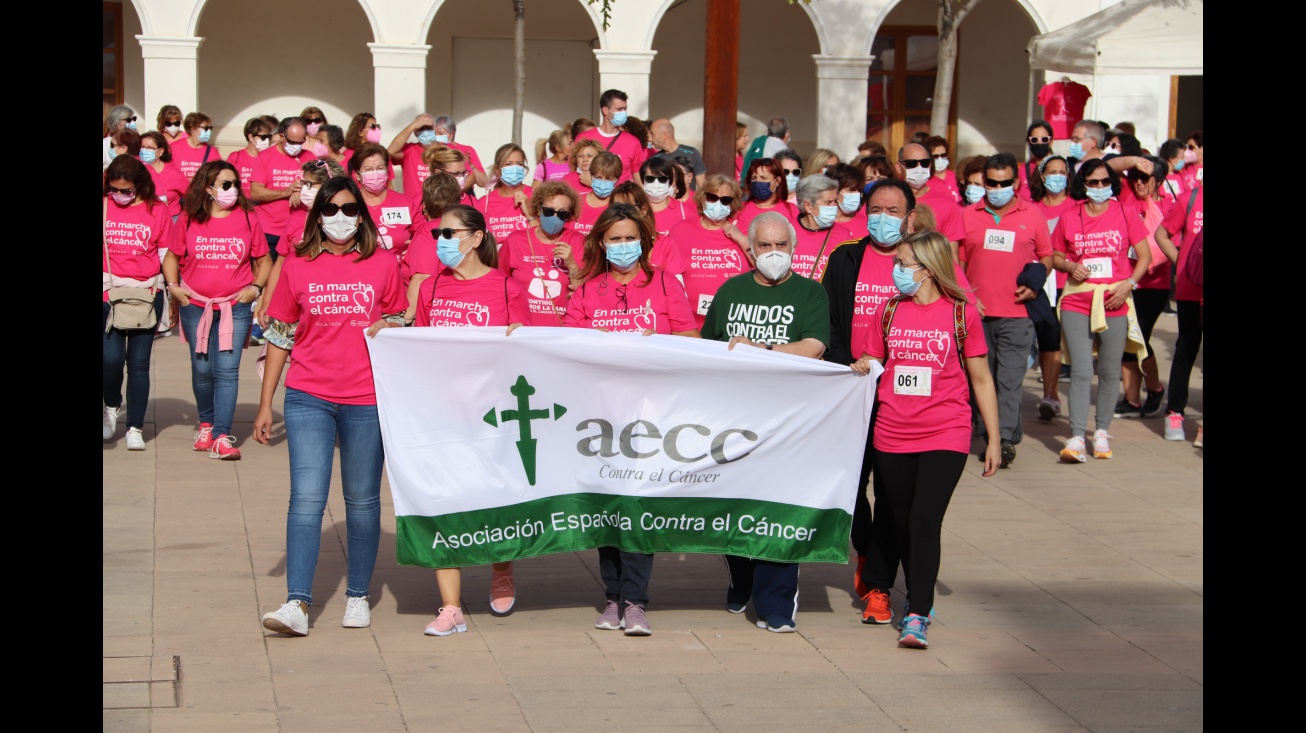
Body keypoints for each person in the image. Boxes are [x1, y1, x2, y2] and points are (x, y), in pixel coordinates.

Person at [255, 176, 408, 637]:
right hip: (307, 395)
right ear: (316, 214)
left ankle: (357, 595)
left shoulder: (383, 264)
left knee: (361, 501)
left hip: (365, 398)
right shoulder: (298, 266)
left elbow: (399, 321)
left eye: (348, 208)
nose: (339, 218)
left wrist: (392, 325)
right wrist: (266, 404)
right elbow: (280, 334)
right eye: (330, 209)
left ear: (361, 214)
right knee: (305, 500)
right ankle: (296, 603)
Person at [823, 179, 974, 619]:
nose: (881, 217)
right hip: (855, 391)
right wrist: (845, 373)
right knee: (851, 487)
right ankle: (868, 549)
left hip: (909, 408)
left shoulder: (928, 258)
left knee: (896, 500)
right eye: (875, 208)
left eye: (893, 210)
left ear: (909, 216)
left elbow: (961, 318)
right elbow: (830, 323)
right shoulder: (845, 257)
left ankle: (878, 586)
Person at [850, 231, 1001, 648]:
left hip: (946, 431)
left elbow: (981, 379)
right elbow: (875, 360)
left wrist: (994, 438)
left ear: (929, 269)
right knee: (897, 520)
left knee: (923, 520)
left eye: (904, 264)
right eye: (895, 263)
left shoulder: (960, 313)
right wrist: (864, 364)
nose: (897, 271)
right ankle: (898, 590)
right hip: (892, 431)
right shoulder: (888, 311)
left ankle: (917, 611)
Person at [564, 204, 699, 636]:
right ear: (601, 243)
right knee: (608, 505)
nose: (623, 246)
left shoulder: (663, 282)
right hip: (600, 416)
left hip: (650, 415)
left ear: (644, 240)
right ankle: (611, 597)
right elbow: (564, 344)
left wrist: (654, 344)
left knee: (637, 504)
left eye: (629, 238)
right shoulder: (587, 291)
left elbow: (691, 338)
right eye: (614, 239)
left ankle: (636, 601)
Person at [702, 211, 829, 633]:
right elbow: (709, 345)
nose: (773, 253)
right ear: (750, 249)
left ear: (793, 248)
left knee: (778, 509)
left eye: (781, 246)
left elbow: (813, 346)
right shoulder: (731, 289)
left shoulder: (811, 293)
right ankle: (742, 577)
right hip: (732, 418)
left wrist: (763, 348)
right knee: (734, 506)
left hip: (787, 419)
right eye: (764, 246)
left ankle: (776, 602)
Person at [407, 204, 529, 635]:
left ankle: (501, 569)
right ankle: (450, 606)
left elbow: (529, 350)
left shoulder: (508, 287)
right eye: (438, 233)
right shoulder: (430, 288)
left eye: (451, 232)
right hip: (442, 416)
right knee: (442, 499)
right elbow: (418, 347)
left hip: (492, 415)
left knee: (493, 498)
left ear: (477, 238)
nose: (442, 240)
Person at [162, 161, 272, 460]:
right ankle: (206, 423)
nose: (232, 190)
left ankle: (222, 435)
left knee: (227, 371)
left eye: (235, 183)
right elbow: (172, 257)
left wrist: (257, 289)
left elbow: (264, 260)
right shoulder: (188, 219)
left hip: (235, 306)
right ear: (208, 188)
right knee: (202, 369)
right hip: (195, 304)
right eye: (225, 185)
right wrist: (174, 288)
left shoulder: (249, 217)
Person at [1052, 159, 1151, 463]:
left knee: (1110, 371)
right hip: (1077, 299)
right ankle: (1077, 436)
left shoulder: (1126, 212)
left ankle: (1103, 431)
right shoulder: (1070, 216)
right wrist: (1069, 265)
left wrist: (1128, 284)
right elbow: (1054, 254)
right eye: (1093, 182)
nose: (1099, 188)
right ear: (1083, 184)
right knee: (1082, 370)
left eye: (1104, 182)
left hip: (1115, 299)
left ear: (1112, 183)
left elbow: (1146, 255)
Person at [959, 153, 1054, 468]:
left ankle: (1007, 439)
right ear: (983, 182)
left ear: (1016, 182)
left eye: (1004, 183)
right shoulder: (967, 215)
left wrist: (1037, 283)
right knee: (980, 378)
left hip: (1018, 313)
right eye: (991, 183)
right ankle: (988, 432)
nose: (997, 188)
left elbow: (1047, 257)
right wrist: (967, 297)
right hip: (977, 314)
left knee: (1010, 380)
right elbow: (956, 263)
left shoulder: (1034, 214)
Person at [103, 155, 169, 450]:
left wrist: (173, 290)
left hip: (146, 295)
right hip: (108, 294)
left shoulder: (158, 209)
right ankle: (111, 404)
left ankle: (135, 427)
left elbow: (166, 255)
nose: (121, 195)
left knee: (139, 365)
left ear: (140, 185)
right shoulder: (104, 205)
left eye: (127, 190)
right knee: (111, 360)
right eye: (115, 189)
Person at [1115, 159, 1179, 420]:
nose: (1139, 182)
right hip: (1123, 282)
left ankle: (1154, 388)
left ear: (1159, 180)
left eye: (1145, 178)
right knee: (1125, 340)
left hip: (1153, 285)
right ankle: (1131, 400)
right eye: (1135, 177)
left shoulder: (1168, 205)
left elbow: (1172, 244)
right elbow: (1106, 165)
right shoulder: (1126, 196)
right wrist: (1132, 161)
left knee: (1138, 338)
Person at [498, 181, 585, 326]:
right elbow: (499, 284)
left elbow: (584, 293)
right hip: (523, 329)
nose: (555, 217)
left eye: (562, 213)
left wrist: (572, 265)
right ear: (538, 210)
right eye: (549, 211)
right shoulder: (515, 240)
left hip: (562, 331)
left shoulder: (577, 241)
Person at [1028, 154, 1075, 417]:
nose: (1057, 176)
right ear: (1042, 176)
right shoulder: (1032, 208)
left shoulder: (1077, 206)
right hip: (1038, 281)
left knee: (1052, 339)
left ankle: (1051, 393)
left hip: (1065, 284)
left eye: (1062, 171)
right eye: (1051, 172)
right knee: (1040, 336)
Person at [670, 175, 751, 329]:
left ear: (732, 204)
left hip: (732, 322)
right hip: (689, 324)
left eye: (725, 200)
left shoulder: (744, 229)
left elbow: (760, 263)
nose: (718, 204)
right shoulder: (680, 230)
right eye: (712, 198)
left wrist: (740, 237)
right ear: (703, 199)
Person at [1160, 169, 1202, 443]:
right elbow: (1162, 234)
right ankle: (1175, 411)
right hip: (1191, 290)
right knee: (1187, 347)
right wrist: (1183, 262)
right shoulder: (1190, 198)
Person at [402, 172, 471, 318]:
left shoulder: (430, 231)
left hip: (436, 310)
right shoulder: (471, 227)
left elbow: (422, 278)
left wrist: (404, 322)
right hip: (466, 306)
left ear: (424, 206)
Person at [250, 117, 315, 255]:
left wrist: (302, 190)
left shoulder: (310, 157)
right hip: (269, 230)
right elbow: (255, 192)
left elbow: (322, 188)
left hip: (300, 229)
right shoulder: (265, 157)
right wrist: (285, 192)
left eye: (300, 142)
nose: (296, 146)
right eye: (292, 141)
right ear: (281, 136)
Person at [350, 143, 421, 263]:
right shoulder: (349, 204)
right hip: (360, 273)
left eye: (380, 168)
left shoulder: (404, 203)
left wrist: (416, 247)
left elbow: (425, 232)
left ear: (387, 171)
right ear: (357, 175)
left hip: (399, 273)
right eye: (368, 169)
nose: (375, 174)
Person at [897, 144, 964, 257]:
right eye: (911, 164)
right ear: (899, 167)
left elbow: (952, 256)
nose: (919, 168)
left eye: (924, 163)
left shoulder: (947, 204)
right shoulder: (886, 200)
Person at [610, 182, 684, 273]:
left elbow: (675, 284)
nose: (621, 213)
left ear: (643, 210)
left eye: (628, 207)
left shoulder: (665, 245)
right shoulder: (606, 244)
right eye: (615, 208)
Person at [573, 89, 644, 184]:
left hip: (621, 197)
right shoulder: (583, 138)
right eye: (619, 109)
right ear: (605, 110)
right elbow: (574, 173)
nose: (624, 113)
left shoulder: (633, 142)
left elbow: (637, 179)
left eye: (625, 109)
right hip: (590, 196)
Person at [791, 175, 844, 281]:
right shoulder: (786, 231)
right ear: (808, 206)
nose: (834, 207)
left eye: (835, 201)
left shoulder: (843, 236)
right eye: (828, 202)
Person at [476, 143, 532, 241]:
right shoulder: (484, 203)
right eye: (508, 164)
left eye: (519, 164)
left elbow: (545, 236)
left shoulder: (536, 196)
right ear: (497, 170)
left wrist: (530, 215)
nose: (514, 168)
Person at [739, 158, 799, 233]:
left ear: (777, 181)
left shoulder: (791, 210)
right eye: (754, 178)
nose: (758, 182)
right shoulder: (740, 209)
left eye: (763, 178)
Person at [637, 157, 693, 238]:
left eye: (662, 179)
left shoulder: (685, 212)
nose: (656, 183)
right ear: (643, 180)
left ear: (669, 182)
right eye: (650, 179)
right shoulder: (634, 210)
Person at [139, 132, 188, 221]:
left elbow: (192, 196)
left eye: (149, 148)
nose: (144, 151)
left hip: (170, 219)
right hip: (142, 220)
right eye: (142, 147)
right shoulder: (135, 171)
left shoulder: (174, 174)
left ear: (161, 151)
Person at [432, 115, 488, 188]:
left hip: (464, 192)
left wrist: (470, 165)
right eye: (434, 133)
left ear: (451, 133)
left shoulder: (467, 150)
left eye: (440, 133)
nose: (436, 136)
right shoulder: (431, 150)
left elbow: (483, 183)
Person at [649, 119, 706, 191]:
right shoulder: (654, 160)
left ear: (664, 135)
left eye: (652, 134)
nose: (650, 138)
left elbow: (702, 187)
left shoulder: (692, 153)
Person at [575, 151, 622, 235]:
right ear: (591, 175)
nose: (602, 182)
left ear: (616, 179)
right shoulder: (575, 202)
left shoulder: (619, 207)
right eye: (598, 177)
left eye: (608, 179)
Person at [226, 117, 274, 200]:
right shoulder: (235, 157)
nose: (266, 140)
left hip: (262, 205)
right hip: (241, 203)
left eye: (268, 137)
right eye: (263, 137)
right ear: (251, 137)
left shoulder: (271, 157)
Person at [826, 162, 870, 241]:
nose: (856, 195)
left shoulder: (868, 225)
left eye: (859, 190)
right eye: (851, 190)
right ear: (834, 191)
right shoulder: (821, 223)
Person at [171, 112, 219, 182]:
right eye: (205, 128)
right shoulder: (174, 148)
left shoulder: (212, 152)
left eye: (210, 128)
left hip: (200, 192)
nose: (208, 131)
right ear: (193, 129)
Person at [1017, 120, 1054, 200]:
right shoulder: (1023, 169)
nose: (1039, 143)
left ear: (1051, 141)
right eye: (1034, 140)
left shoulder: (1062, 167)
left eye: (1044, 139)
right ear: (1028, 142)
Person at [924, 135, 960, 204]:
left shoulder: (956, 177)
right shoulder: (925, 181)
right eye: (935, 156)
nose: (940, 159)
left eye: (943, 155)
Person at [104, 105, 138, 171]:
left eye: (134, 119)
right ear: (116, 123)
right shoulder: (105, 143)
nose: (132, 122)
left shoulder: (136, 141)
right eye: (128, 120)